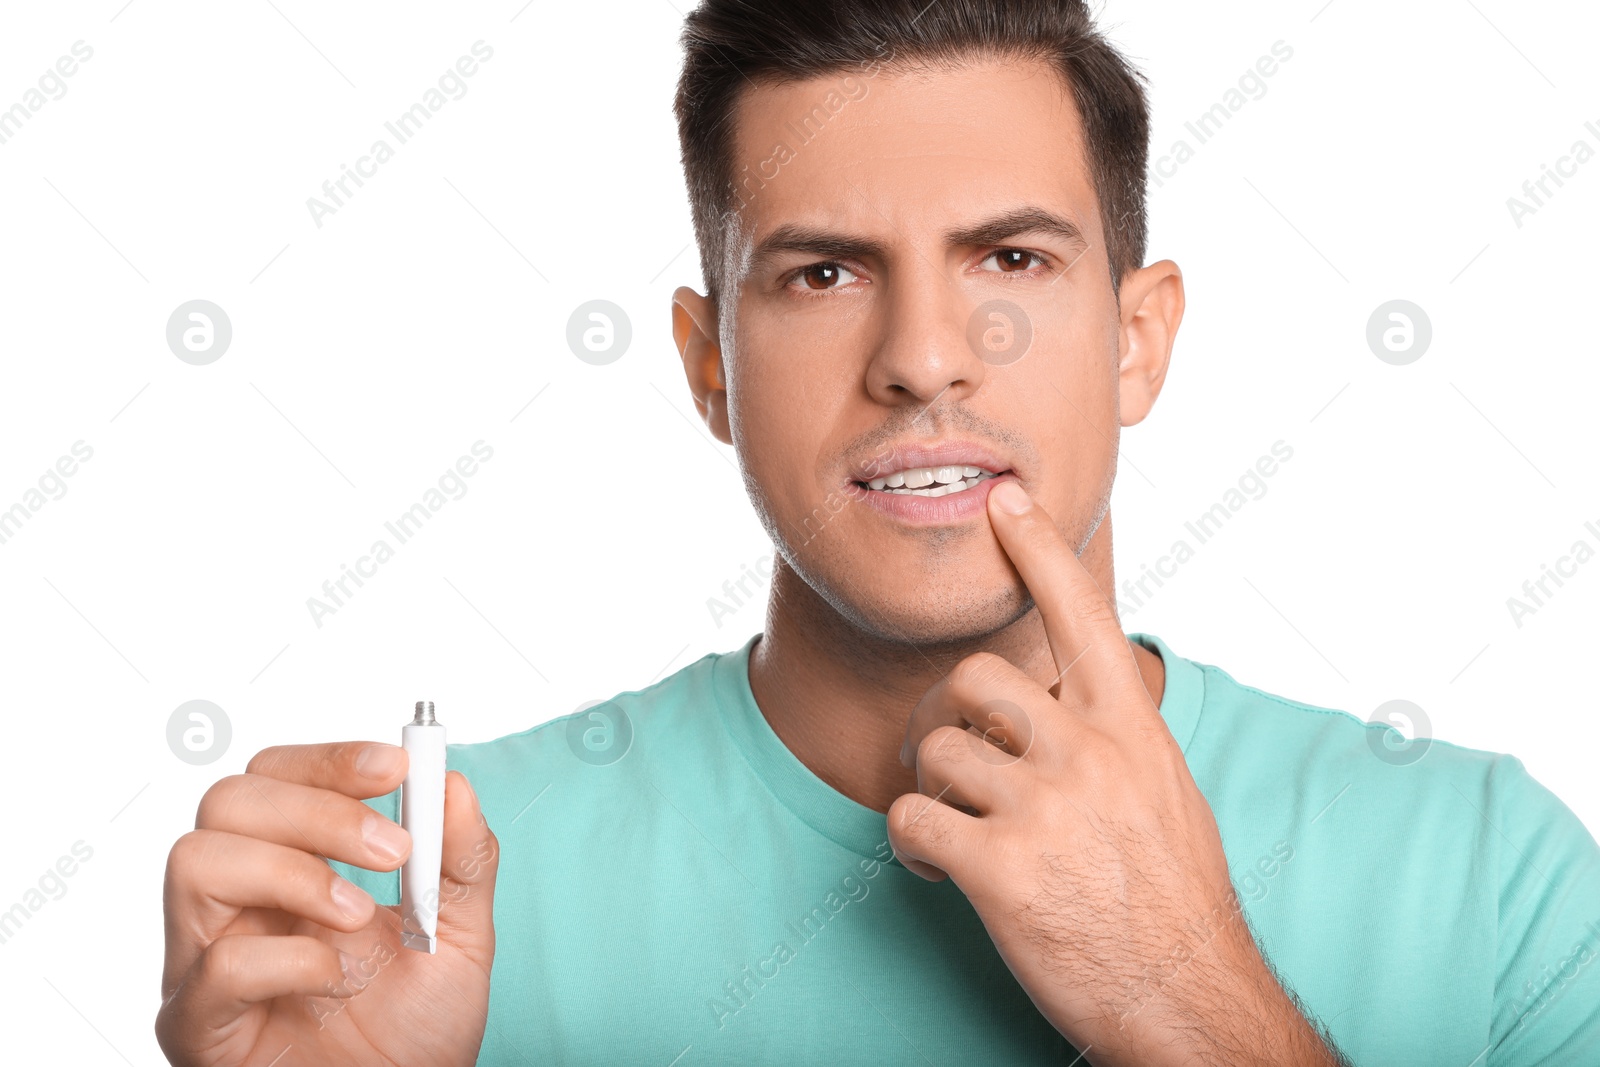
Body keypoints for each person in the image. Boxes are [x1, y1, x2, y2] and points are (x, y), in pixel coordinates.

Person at [155, 1, 1600, 1063]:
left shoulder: (1490, 870)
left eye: (1012, 259)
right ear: (708, 362)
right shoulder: (410, 906)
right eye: (827, 271)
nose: (922, 357)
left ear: (1140, 341)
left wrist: (1186, 994)